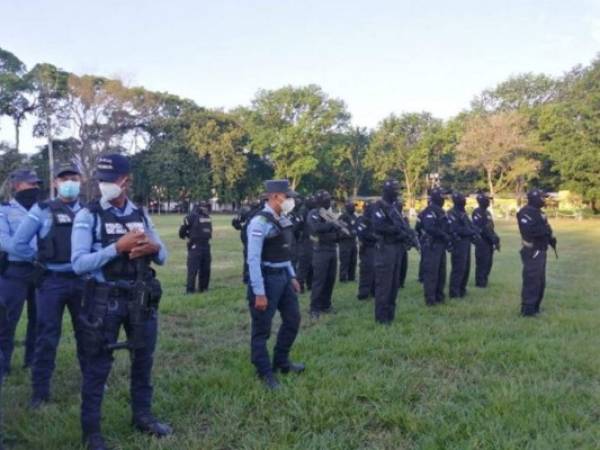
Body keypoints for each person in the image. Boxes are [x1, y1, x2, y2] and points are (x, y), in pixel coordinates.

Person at [71, 154, 172, 449]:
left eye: (110, 179)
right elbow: (78, 264)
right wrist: (117, 247)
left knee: (143, 361)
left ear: (125, 181)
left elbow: (163, 256)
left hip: (140, 299)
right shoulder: (88, 215)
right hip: (105, 301)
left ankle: (142, 416)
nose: (104, 185)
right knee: (97, 366)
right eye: (100, 180)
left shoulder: (140, 214)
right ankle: (92, 433)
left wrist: (151, 247)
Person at [11, 164, 86, 408]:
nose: (69, 183)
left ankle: (92, 381)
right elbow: (19, 243)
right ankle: (40, 392)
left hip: (83, 282)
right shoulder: (41, 210)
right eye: (64, 179)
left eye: (73, 178)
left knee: (88, 334)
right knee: (47, 337)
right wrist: (38, 260)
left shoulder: (88, 211)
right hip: (51, 282)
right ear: (55, 183)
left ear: (81, 181)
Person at [246, 179, 303, 390]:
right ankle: (264, 371)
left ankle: (281, 361)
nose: (290, 200)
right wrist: (259, 292)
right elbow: (253, 259)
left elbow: (283, 251)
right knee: (262, 329)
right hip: (266, 279)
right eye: (287, 196)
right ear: (274, 196)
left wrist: (292, 276)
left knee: (293, 319)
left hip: (283, 278)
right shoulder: (259, 222)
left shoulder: (282, 219)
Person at [0, 168, 40, 376]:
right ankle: (3, 364)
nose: (35, 188)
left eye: (36, 184)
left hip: (40, 272)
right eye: (30, 184)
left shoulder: (43, 210)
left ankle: (32, 361)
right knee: (6, 321)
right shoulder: (4, 210)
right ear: (17, 186)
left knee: (39, 319)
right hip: (13, 273)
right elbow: (5, 242)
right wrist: (33, 254)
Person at [371, 180, 408, 324]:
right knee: (384, 285)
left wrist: (405, 234)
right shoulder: (378, 206)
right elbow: (379, 226)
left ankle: (390, 315)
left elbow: (399, 226)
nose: (398, 193)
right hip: (385, 248)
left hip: (396, 248)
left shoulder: (393, 208)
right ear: (388, 191)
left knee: (393, 284)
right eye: (395, 190)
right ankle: (381, 318)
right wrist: (397, 231)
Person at [517, 189, 556, 316]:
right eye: (541, 197)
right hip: (532, 251)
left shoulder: (540, 213)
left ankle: (536, 307)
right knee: (532, 280)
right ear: (534, 198)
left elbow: (546, 228)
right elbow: (530, 231)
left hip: (541, 249)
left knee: (540, 281)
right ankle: (527, 310)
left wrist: (550, 238)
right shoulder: (525, 212)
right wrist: (545, 231)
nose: (544, 200)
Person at [307, 190, 340, 318]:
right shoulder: (313, 213)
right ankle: (314, 308)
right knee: (319, 280)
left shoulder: (329, 214)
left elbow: (337, 229)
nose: (329, 201)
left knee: (330, 279)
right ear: (320, 200)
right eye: (326, 199)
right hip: (320, 250)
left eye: (329, 198)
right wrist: (332, 225)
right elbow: (316, 228)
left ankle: (326, 305)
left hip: (332, 248)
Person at [420, 188, 451, 306]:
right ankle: (430, 299)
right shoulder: (430, 211)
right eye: (442, 197)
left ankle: (439, 295)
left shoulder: (441, 211)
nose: (443, 200)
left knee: (441, 273)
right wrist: (444, 235)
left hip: (440, 245)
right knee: (431, 273)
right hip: (431, 245)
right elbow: (429, 228)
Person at [447, 192, 478, 298]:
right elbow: (455, 229)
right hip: (458, 243)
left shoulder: (462, 212)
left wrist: (475, 230)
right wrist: (469, 232)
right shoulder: (451, 213)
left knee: (466, 267)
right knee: (458, 268)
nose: (464, 201)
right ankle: (454, 292)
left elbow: (470, 225)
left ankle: (462, 289)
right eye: (462, 199)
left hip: (466, 243)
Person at [179, 201, 212, 293]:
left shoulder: (207, 217)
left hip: (206, 245)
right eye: (204, 207)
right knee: (193, 269)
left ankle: (203, 288)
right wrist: (188, 237)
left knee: (206, 269)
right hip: (195, 245)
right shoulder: (191, 217)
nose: (206, 209)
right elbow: (182, 231)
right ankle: (190, 290)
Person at [472, 192, 500, 287]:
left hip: (489, 242)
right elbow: (482, 229)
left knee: (488, 262)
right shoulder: (477, 212)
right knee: (482, 263)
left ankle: (485, 280)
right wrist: (492, 238)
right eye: (487, 200)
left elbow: (490, 228)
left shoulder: (487, 213)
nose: (488, 202)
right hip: (482, 241)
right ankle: (480, 282)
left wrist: (496, 239)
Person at [232, 199, 264, 284]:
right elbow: (235, 222)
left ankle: (248, 276)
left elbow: (235, 222)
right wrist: (242, 227)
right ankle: (248, 276)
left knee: (249, 257)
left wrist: (241, 227)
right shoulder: (259, 211)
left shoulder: (257, 211)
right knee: (252, 257)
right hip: (250, 237)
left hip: (249, 237)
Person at [355, 202, 377, 300]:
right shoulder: (362, 220)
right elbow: (361, 233)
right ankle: (363, 293)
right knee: (366, 271)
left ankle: (373, 291)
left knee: (375, 271)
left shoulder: (374, 220)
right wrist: (375, 237)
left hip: (375, 248)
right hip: (367, 248)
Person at [296, 195, 316, 293]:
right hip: (304, 240)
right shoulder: (303, 211)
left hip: (310, 240)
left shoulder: (311, 211)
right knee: (304, 264)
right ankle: (300, 286)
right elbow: (298, 226)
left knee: (311, 263)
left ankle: (310, 284)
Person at [338, 201, 358, 282]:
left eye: (354, 206)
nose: (354, 208)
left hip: (353, 241)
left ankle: (351, 277)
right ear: (348, 207)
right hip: (345, 242)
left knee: (353, 260)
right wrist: (348, 233)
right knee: (345, 260)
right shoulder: (343, 217)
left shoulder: (354, 216)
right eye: (352, 206)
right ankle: (343, 277)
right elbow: (339, 229)